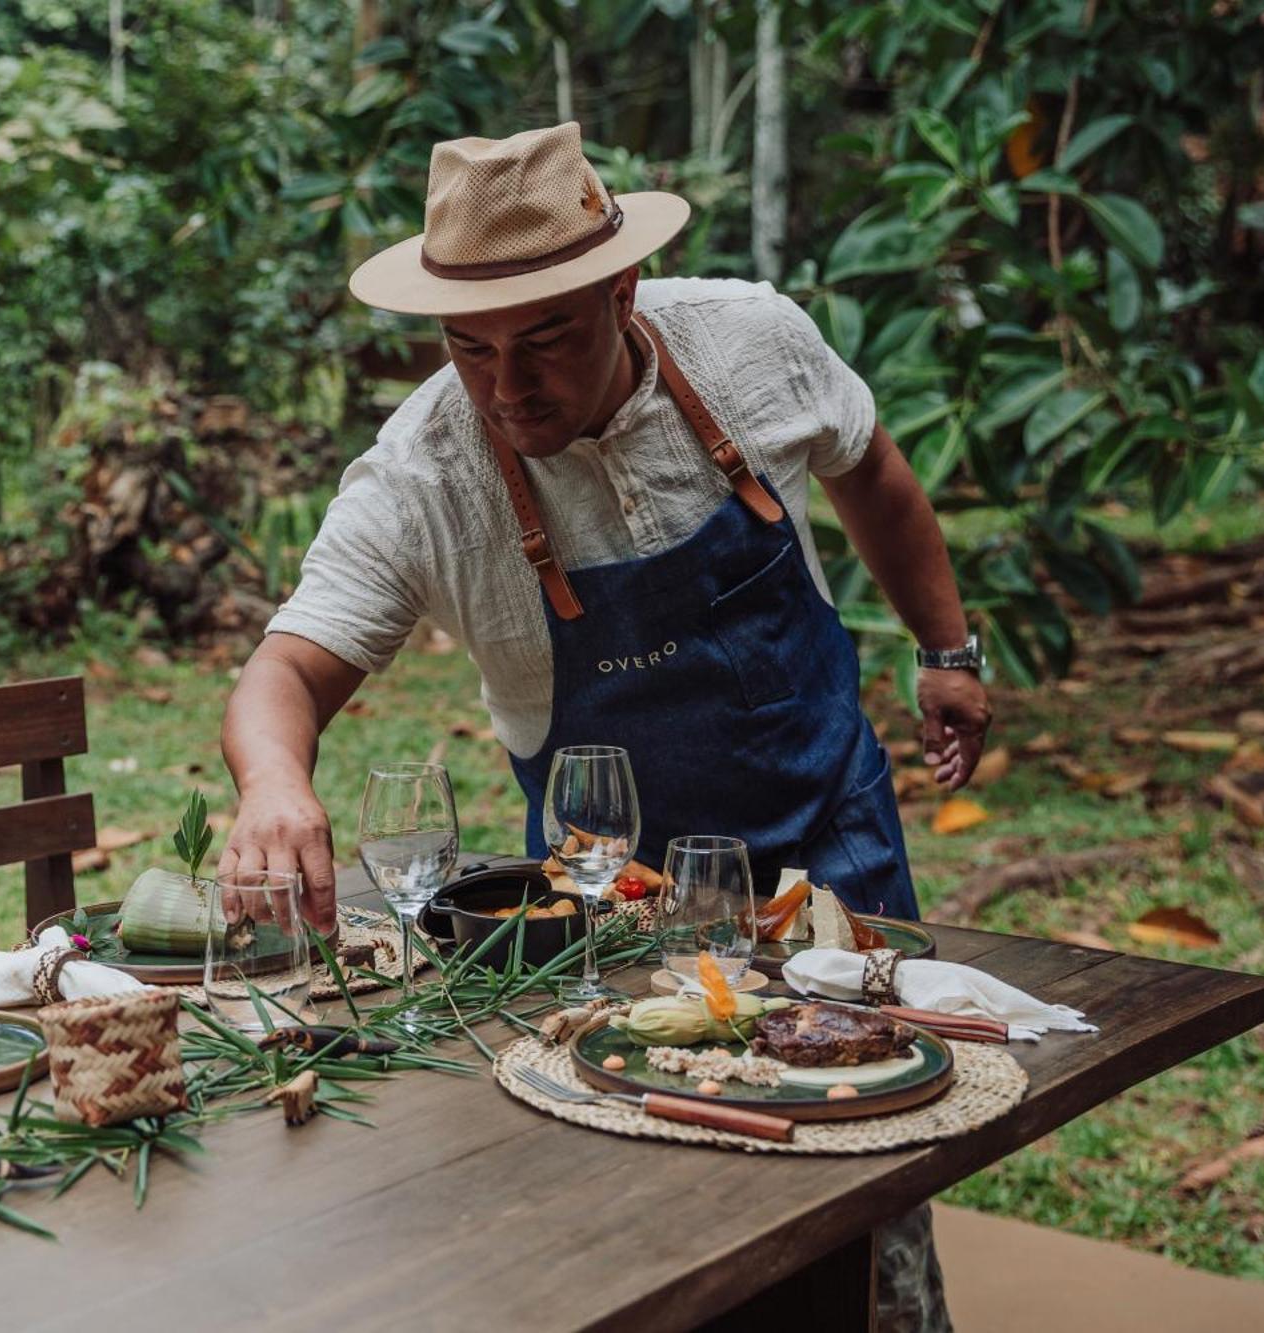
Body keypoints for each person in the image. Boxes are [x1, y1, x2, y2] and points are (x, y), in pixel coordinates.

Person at [218, 123, 989, 1331]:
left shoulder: (748, 342)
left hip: (826, 849)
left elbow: (871, 470)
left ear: (620, 290)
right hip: (601, 899)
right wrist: (273, 783)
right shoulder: (426, 473)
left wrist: (946, 651)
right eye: (466, 347)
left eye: (543, 339)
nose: (504, 386)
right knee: (639, 1196)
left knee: (865, 1174)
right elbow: (283, 672)